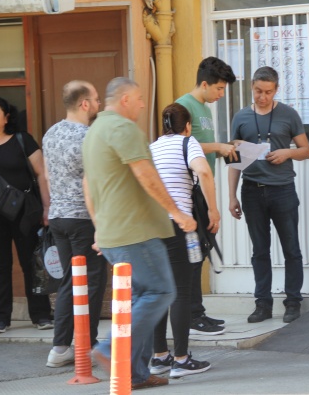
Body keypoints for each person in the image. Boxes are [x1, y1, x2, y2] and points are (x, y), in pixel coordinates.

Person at [84, 77, 196, 390]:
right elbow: (146, 176)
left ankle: (135, 373)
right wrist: (178, 213)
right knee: (161, 292)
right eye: (139, 98)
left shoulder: (93, 133)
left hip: (112, 234)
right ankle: (110, 350)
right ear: (124, 100)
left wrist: (98, 227)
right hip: (136, 232)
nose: (144, 104)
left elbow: (88, 187)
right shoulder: (123, 128)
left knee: (139, 300)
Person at [228, 66, 309, 324]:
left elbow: (306, 149)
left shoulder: (289, 114)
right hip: (252, 190)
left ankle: (293, 301)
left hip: (283, 189)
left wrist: (287, 153)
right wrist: (232, 196)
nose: (262, 97)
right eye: (258, 91)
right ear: (251, 87)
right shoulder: (240, 117)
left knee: (291, 247)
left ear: (276, 90)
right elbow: (234, 160)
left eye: (268, 92)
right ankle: (262, 303)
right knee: (260, 250)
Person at [149, 103, 218, 376]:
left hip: (152, 228)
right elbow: (204, 171)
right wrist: (213, 210)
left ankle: (159, 356)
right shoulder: (188, 143)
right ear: (187, 126)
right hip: (181, 226)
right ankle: (180, 359)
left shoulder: (151, 147)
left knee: (158, 292)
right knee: (180, 291)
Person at [42, 81, 107, 367]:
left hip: (58, 216)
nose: (99, 104)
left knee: (70, 280)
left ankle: (61, 346)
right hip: (83, 218)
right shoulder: (89, 136)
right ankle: (84, 344)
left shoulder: (50, 134)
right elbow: (96, 180)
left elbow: (46, 175)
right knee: (90, 283)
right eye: (95, 99)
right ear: (84, 104)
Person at [176, 56, 237, 336]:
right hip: (189, 193)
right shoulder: (183, 106)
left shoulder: (203, 108)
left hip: (202, 191)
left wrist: (223, 148)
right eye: (219, 89)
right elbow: (183, 143)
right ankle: (191, 315)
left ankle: (197, 313)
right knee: (194, 254)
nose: (221, 95)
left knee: (199, 253)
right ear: (204, 84)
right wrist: (219, 147)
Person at [0, 96, 52, 334]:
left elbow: (42, 174)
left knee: (31, 264)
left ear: (6, 116)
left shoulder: (22, 140)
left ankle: (41, 315)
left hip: (25, 213)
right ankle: (1, 319)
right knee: (0, 266)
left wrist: (46, 208)